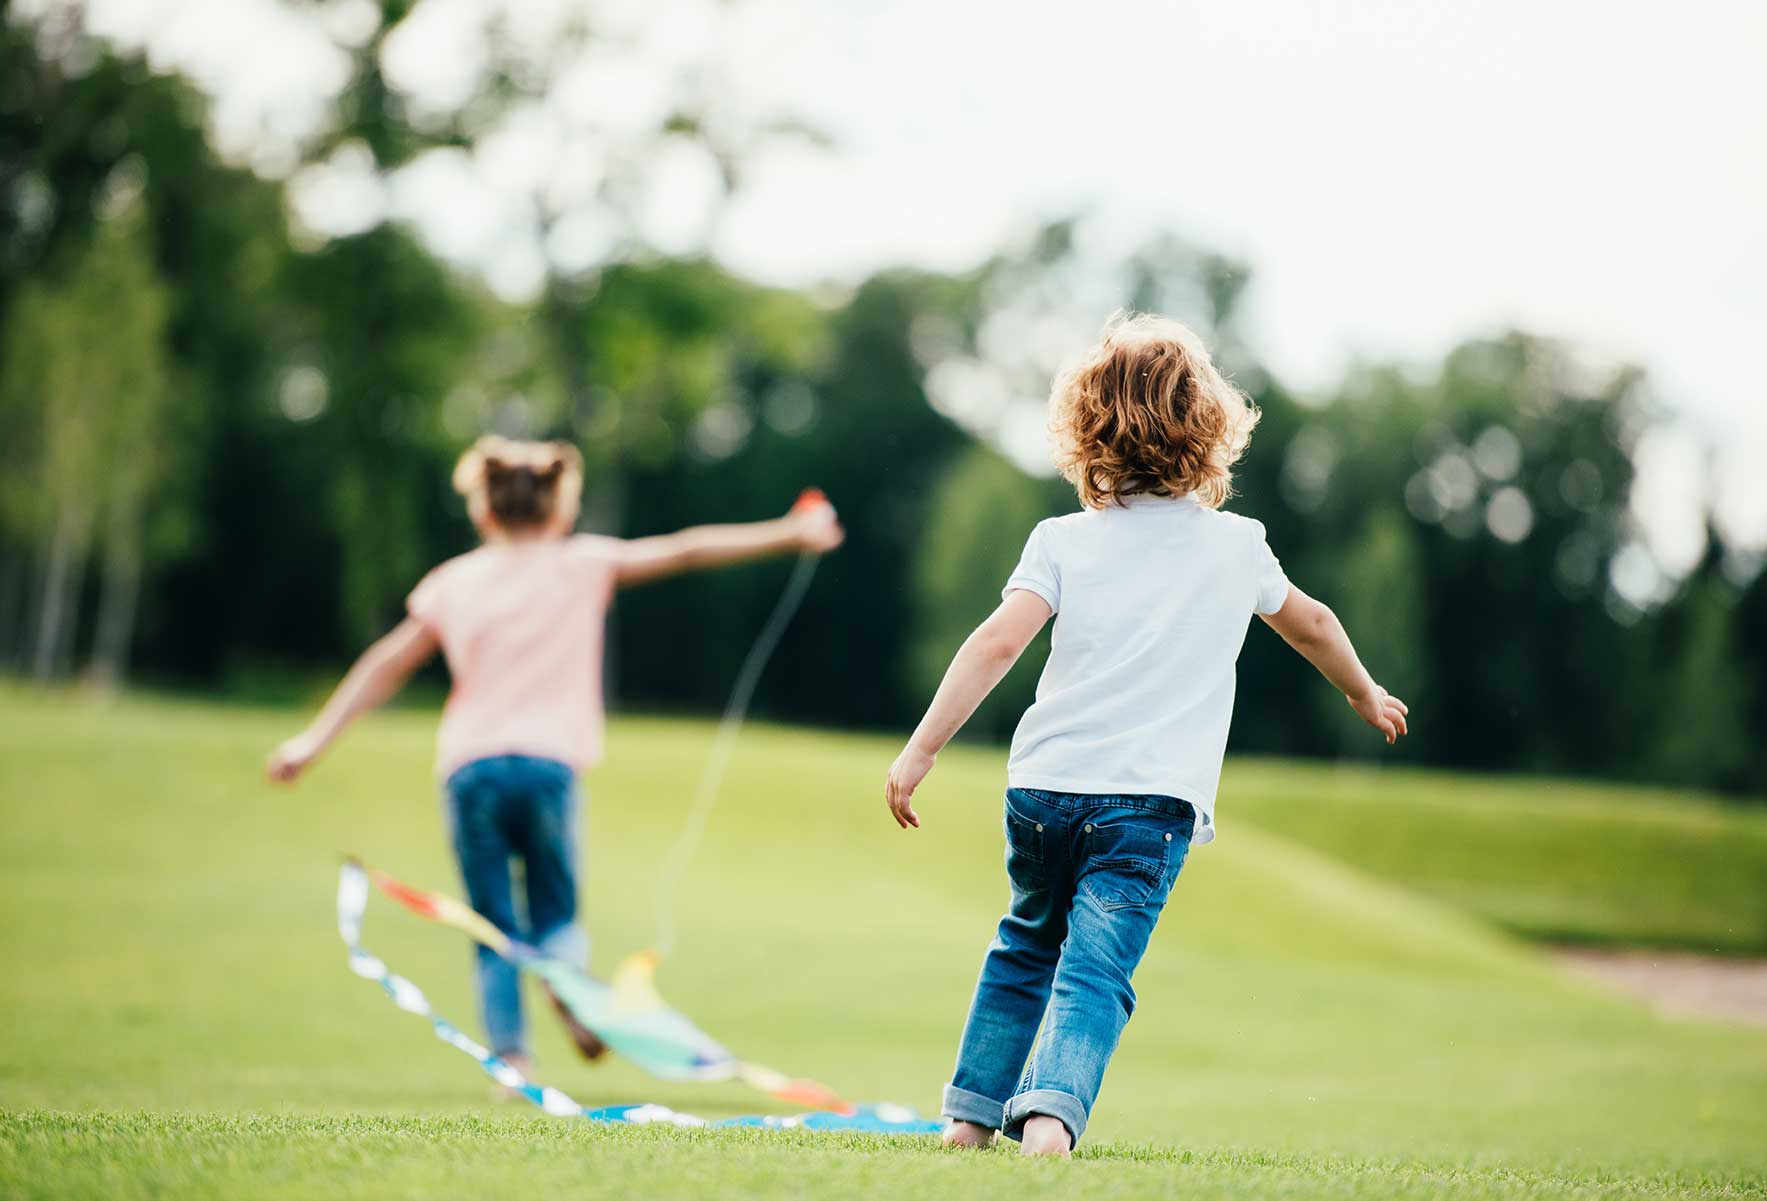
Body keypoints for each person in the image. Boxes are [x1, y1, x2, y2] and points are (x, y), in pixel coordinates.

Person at [884, 313, 1409, 1157]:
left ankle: (970, 1116)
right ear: (1209, 432)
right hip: (1147, 806)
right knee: (1093, 969)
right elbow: (1311, 623)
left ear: (1085, 430)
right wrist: (1364, 691)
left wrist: (922, 747)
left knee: (1024, 944)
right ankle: (1050, 1119)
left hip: (1044, 791)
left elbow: (996, 642)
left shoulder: (1060, 540)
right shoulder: (1239, 546)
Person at [267, 435, 843, 1078]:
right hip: (547, 767)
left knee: (491, 925)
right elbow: (686, 549)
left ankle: (512, 1065)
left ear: (484, 511)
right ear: (561, 509)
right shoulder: (583, 563)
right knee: (555, 914)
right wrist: (790, 533)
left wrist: (311, 741)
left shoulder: (454, 582)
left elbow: (388, 664)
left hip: (471, 769)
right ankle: (574, 997)